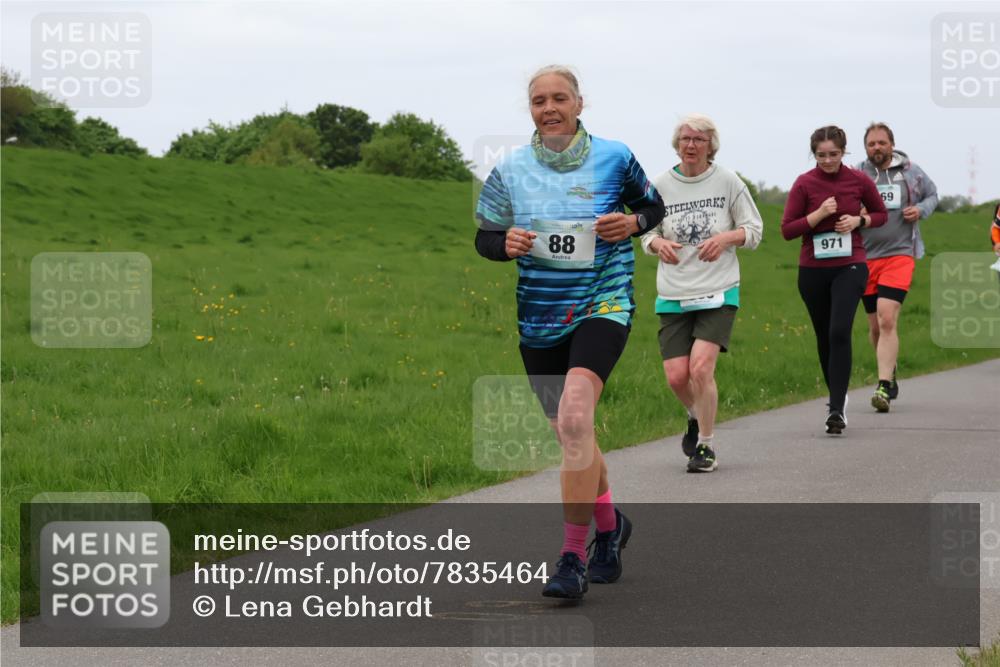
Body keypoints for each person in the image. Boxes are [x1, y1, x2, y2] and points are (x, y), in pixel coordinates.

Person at [474, 65, 664, 599]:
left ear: (580, 103)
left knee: (578, 419)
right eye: (539, 101)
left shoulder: (615, 156)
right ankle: (611, 527)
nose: (549, 108)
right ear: (529, 109)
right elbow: (485, 236)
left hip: (604, 304)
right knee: (571, 435)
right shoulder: (509, 168)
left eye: (559, 98)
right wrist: (503, 243)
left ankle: (571, 559)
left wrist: (633, 224)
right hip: (539, 319)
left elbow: (653, 206)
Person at [640, 114, 763, 472]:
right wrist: (658, 243)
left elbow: (754, 229)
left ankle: (706, 447)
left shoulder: (727, 182)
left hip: (718, 290)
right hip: (674, 291)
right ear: (676, 144)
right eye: (685, 139)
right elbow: (647, 233)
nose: (691, 146)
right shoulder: (659, 185)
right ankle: (695, 416)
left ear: (711, 146)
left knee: (700, 368)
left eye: (699, 140)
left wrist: (726, 238)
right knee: (677, 376)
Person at [781, 126, 887, 435]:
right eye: (821, 155)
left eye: (834, 155)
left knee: (840, 330)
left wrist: (859, 220)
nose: (828, 161)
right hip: (813, 269)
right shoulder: (804, 184)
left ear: (844, 152)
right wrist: (817, 215)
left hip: (850, 264)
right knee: (824, 335)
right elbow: (788, 230)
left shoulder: (857, 180)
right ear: (813, 154)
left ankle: (837, 409)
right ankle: (837, 397)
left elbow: (880, 214)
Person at [855, 123, 939, 412]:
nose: (876, 148)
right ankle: (889, 371)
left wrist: (921, 210)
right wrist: (856, 212)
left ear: (891, 144)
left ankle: (882, 386)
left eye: (881, 142)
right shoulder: (857, 175)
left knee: (887, 317)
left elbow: (932, 195)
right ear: (865, 148)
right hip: (865, 258)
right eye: (871, 144)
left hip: (900, 253)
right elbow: (844, 207)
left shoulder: (911, 172)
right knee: (875, 325)